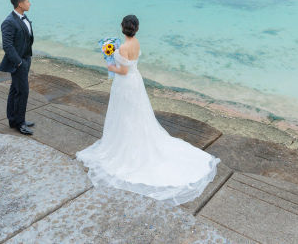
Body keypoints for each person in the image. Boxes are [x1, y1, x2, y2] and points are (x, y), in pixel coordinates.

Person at [76, 15, 219, 205]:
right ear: (135, 28)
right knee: (136, 115)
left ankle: (125, 144)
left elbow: (123, 71)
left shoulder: (123, 47)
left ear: (122, 27)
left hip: (125, 83)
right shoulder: (135, 42)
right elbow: (130, 67)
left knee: (125, 114)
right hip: (136, 82)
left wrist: (110, 65)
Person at [0, 0, 35, 135]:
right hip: (19, 62)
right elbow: (7, 45)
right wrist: (19, 62)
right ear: (20, 4)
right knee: (22, 92)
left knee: (15, 90)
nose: (30, 3)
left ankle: (14, 120)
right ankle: (20, 123)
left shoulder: (22, 17)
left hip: (26, 59)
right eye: (27, 1)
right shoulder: (9, 21)